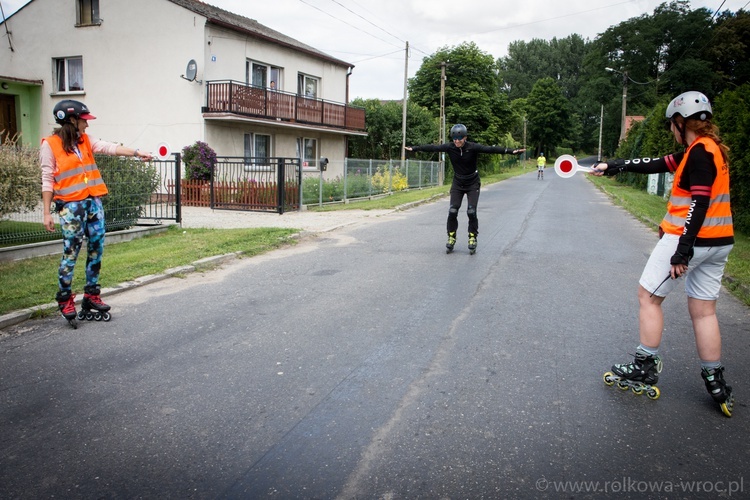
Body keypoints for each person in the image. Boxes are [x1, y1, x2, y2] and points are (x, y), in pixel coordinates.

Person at [593, 91, 735, 417]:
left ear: (680, 122)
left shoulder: (698, 154)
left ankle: (644, 365)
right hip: (720, 242)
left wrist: (682, 252)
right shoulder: (706, 150)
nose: (672, 129)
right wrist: (613, 165)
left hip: (689, 240)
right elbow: (657, 163)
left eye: (673, 123)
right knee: (704, 311)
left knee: (648, 297)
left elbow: (699, 203)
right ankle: (714, 378)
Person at [41, 99, 153, 327]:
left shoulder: (85, 141)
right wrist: (46, 212)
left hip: (93, 202)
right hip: (71, 206)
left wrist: (137, 152)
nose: (87, 125)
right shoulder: (50, 145)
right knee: (71, 251)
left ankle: (91, 295)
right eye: (84, 121)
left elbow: (109, 147)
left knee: (97, 248)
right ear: (71, 120)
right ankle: (65, 298)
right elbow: (47, 179)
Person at [406, 124, 525, 254]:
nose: (457, 141)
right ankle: (451, 236)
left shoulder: (472, 147)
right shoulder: (450, 147)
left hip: (472, 183)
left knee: (471, 211)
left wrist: (510, 151)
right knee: (452, 210)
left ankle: (472, 237)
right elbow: (433, 147)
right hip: (458, 183)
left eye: (460, 139)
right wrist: (414, 148)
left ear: (465, 137)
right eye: (454, 139)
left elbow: (490, 149)